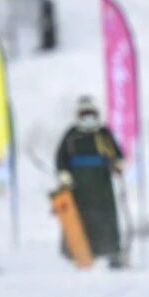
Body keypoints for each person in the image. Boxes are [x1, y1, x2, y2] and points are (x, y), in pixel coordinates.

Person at [56, 96, 126, 267]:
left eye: (91, 113)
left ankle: (112, 253)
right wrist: (64, 175)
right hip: (78, 187)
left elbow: (117, 155)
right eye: (84, 114)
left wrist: (117, 164)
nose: (88, 117)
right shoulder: (71, 135)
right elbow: (61, 158)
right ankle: (77, 253)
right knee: (79, 219)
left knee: (106, 219)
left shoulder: (103, 134)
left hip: (102, 185)